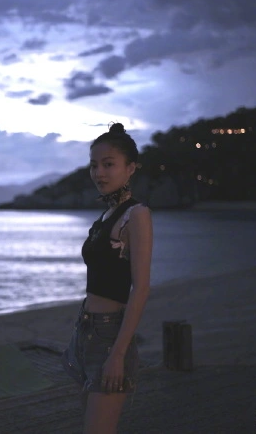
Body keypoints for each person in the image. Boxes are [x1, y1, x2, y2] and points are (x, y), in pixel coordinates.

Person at [61, 122, 153, 433]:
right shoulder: (104, 217)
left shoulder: (136, 215)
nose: (99, 173)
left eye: (109, 164)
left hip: (110, 335)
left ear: (131, 168)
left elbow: (141, 288)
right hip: (85, 330)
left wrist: (118, 353)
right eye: (94, 165)